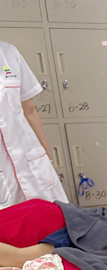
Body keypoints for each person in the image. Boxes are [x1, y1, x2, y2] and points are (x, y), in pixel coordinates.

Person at [0, 40, 67, 209]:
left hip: (31, 159)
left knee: (52, 216)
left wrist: (48, 159)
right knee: (11, 222)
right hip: (4, 173)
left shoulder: (9, 52)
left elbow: (30, 111)